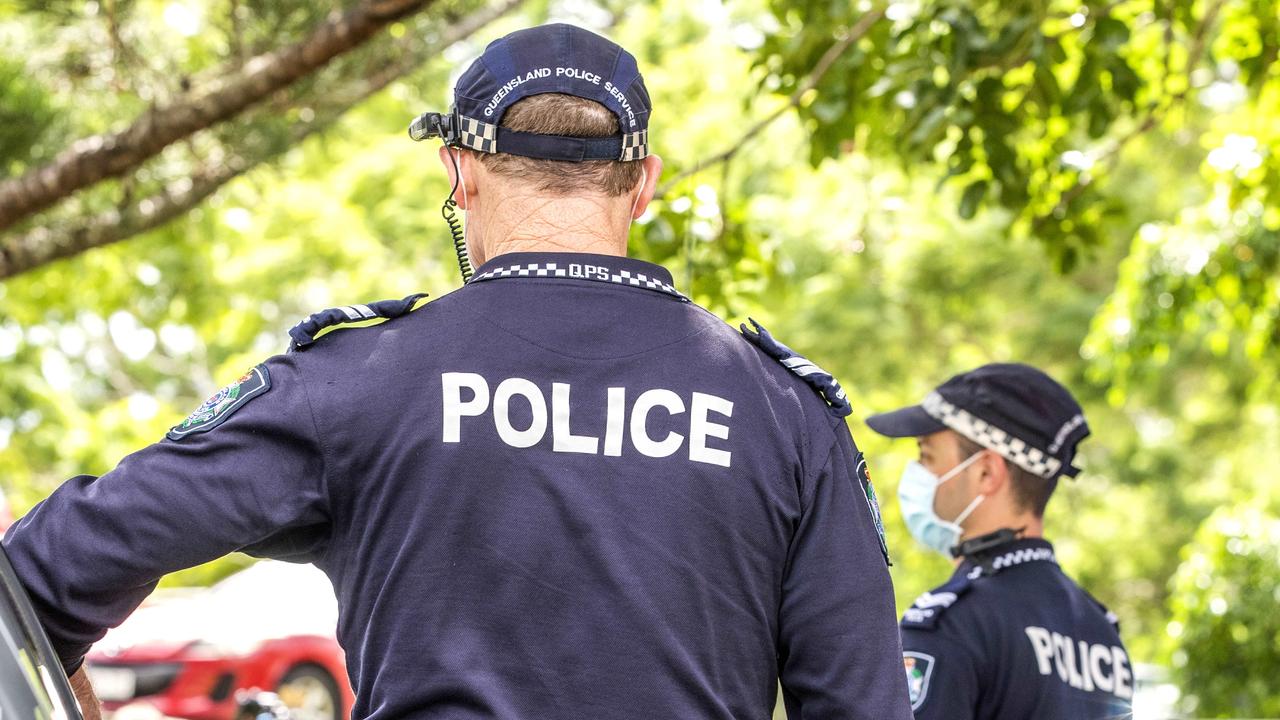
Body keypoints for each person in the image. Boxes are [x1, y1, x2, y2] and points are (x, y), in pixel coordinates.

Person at [3, 23, 912, 720]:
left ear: (460, 170)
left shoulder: (357, 381)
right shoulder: (785, 414)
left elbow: (44, 575)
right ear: (643, 183)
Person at [864, 363, 1134, 719]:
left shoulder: (952, 624)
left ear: (986, 472)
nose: (916, 472)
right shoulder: (1101, 632)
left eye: (927, 457)